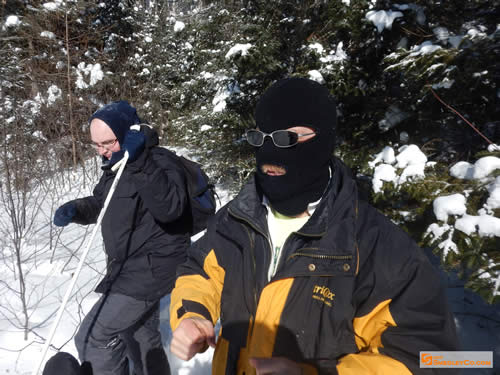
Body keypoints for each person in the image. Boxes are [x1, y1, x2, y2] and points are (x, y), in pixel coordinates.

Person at [169, 78, 460, 374]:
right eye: (261, 138)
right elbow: (200, 269)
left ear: (324, 139)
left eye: (288, 138)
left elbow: (437, 360)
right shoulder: (237, 217)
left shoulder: (379, 247)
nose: (271, 153)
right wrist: (192, 313)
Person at [53, 101, 191, 375]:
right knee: (138, 334)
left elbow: (171, 208)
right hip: (128, 267)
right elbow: (102, 203)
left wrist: (139, 161)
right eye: (96, 145)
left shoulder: (158, 161)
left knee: (94, 337)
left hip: (152, 269)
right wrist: (78, 210)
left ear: (127, 133)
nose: (102, 151)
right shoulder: (115, 166)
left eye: (108, 142)